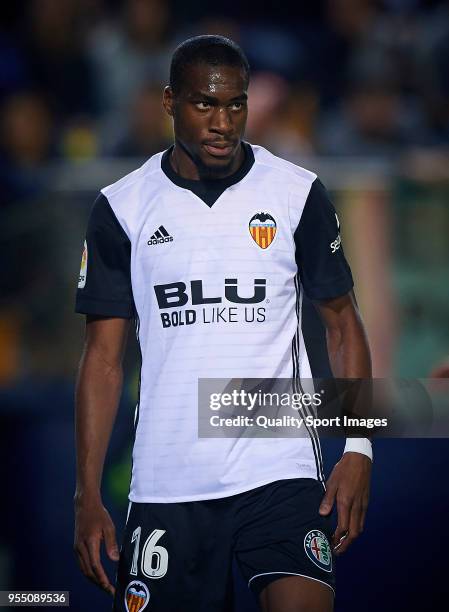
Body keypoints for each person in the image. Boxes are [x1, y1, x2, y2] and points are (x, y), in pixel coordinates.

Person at [74, 35, 372, 612]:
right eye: (204, 105)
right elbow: (104, 360)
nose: (223, 121)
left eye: (235, 104)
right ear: (169, 102)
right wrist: (86, 493)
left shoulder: (296, 193)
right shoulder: (122, 207)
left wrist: (359, 446)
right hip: (168, 481)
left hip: (279, 469)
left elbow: (342, 324)